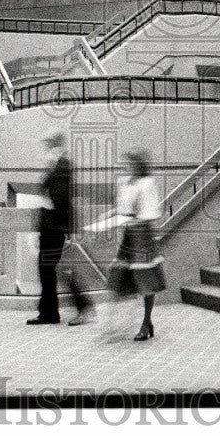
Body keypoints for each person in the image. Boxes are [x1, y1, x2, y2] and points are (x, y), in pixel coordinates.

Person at [27, 131, 93, 326]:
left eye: (49, 142)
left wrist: (69, 229)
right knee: (50, 269)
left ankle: (77, 308)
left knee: (51, 268)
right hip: (52, 225)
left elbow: (62, 197)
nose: (46, 146)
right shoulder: (56, 163)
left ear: (55, 143)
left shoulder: (62, 163)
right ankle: (51, 312)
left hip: (54, 226)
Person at [106, 150, 165, 341]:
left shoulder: (147, 183)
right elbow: (125, 207)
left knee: (145, 279)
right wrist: (112, 214)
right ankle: (112, 323)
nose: (127, 167)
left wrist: (132, 217)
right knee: (118, 275)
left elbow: (151, 212)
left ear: (139, 164)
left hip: (142, 234)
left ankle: (146, 322)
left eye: (130, 163)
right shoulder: (126, 182)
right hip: (129, 233)